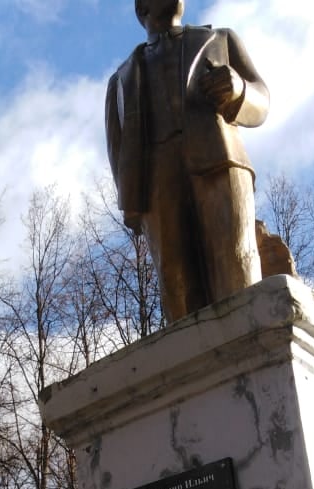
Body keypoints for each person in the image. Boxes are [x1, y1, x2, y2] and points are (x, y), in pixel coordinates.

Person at [106, 0, 269, 323]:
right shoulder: (122, 78)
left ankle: (255, 342)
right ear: (142, 8)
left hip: (219, 162)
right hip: (156, 180)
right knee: (175, 285)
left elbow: (261, 100)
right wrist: (131, 203)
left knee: (236, 260)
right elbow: (117, 144)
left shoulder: (220, 40)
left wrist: (238, 90)